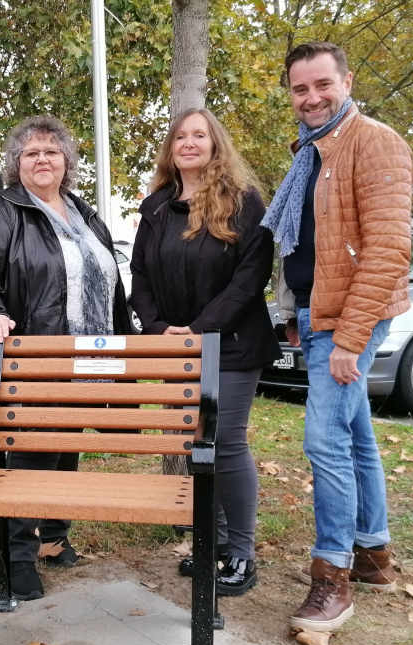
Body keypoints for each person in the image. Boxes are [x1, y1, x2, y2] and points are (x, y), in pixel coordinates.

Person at [264, 41, 412, 631]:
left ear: (346, 82)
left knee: (323, 440)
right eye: (301, 89)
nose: (313, 97)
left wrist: (351, 340)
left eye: (323, 85)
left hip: (349, 317)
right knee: (355, 435)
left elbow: (388, 250)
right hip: (316, 312)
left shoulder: (374, 142)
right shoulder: (311, 151)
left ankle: (333, 578)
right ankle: (374, 552)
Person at [0, 116, 132, 601]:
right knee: (34, 447)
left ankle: (53, 535)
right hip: (35, 347)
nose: (42, 160)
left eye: (52, 152)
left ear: (67, 162)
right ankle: (16, 556)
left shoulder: (82, 212)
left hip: (90, 350)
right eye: (31, 153)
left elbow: (108, 276)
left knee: (67, 439)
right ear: (16, 164)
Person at [130, 108, 280, 596]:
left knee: (227, 441)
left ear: (216, 144)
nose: (189, 142)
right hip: (175, 348)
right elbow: (140, 278)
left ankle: (241, 553)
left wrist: (197, 330)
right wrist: (159, 330)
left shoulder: (244, 202)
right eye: (181, 136)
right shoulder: (156, 207)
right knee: (197, 443)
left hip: (231, 344)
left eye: (200, 135)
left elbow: (249, 280)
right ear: (171, 148)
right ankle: (210, 541)